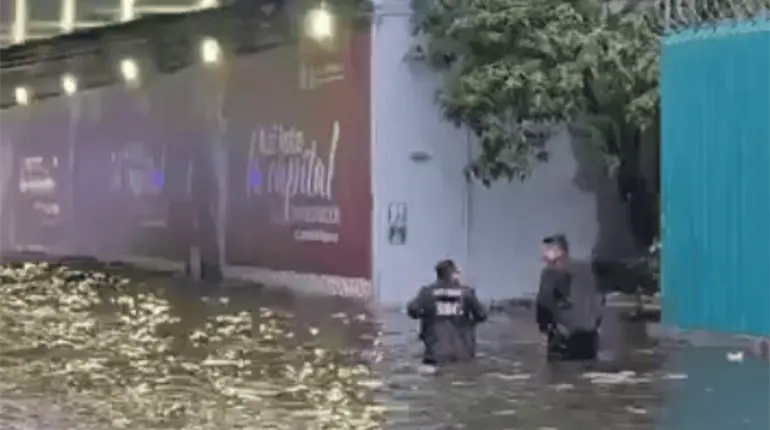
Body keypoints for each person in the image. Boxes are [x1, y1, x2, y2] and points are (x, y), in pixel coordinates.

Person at [407, 259, 488, 366]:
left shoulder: (427, 292)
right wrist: (471, 323)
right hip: (463, 352)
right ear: (453, 274)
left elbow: (412, 310)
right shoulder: (467, 292)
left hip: (435, 352)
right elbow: (482, 315)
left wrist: (426, 315)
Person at [536, 234, 603, 360]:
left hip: (565, 336)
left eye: (547, 250)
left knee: (560, 370)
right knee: (587, 367)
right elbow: (598, 301)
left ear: (559, 251)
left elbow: (544, 303)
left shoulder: (550, 273)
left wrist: (544, 327)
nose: (543, 255)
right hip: (590, 336)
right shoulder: (586, 268)